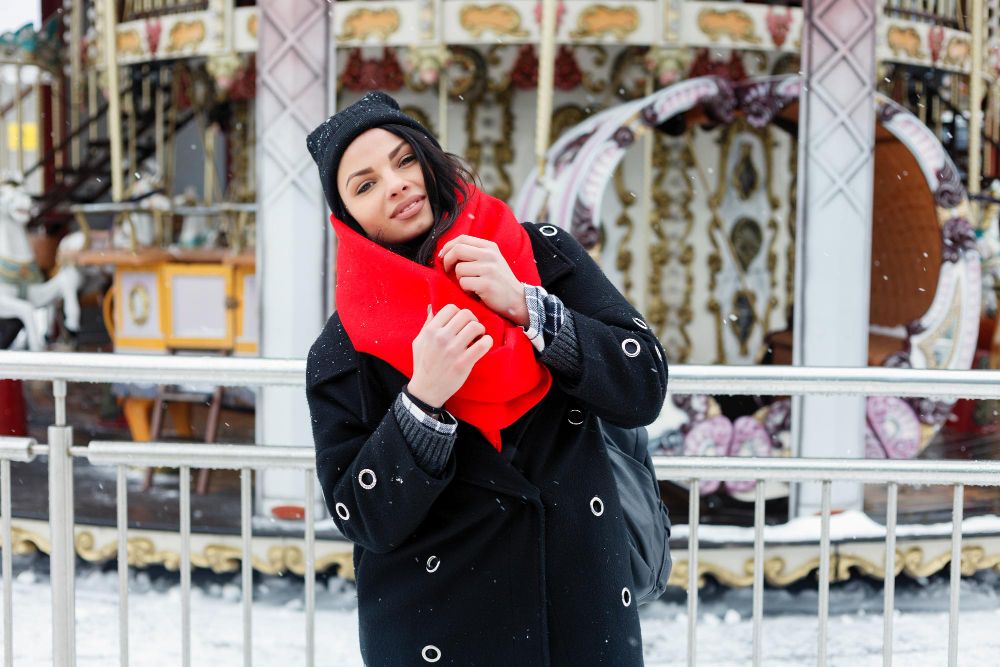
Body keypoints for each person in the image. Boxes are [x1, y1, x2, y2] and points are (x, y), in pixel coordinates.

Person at [305, 91, 668, 666]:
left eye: (403, 161)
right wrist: (422, 402)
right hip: (442, 625)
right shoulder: (346, 342)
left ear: (430, 159)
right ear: (347, 218)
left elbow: (642, 382)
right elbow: (360, 514)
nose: (395, 184)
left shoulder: (541, 255)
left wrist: (533, 309)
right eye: (364, 184)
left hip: (577, 604)